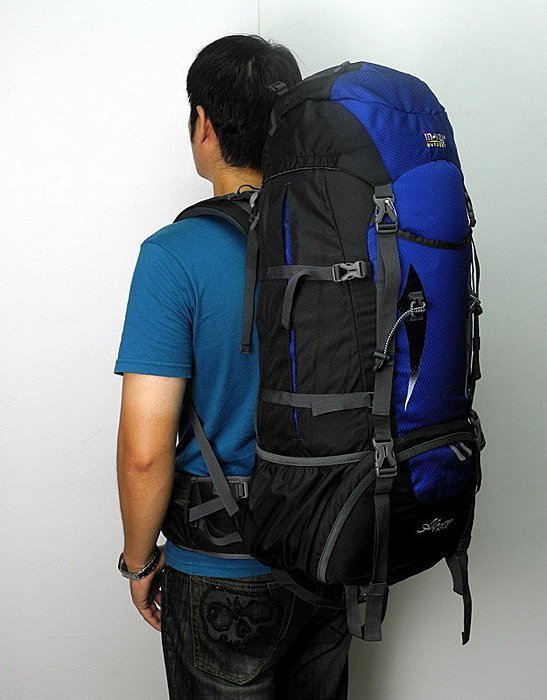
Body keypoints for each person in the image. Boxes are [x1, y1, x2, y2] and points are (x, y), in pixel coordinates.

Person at [113, 34, 353, 699]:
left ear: (204, 124)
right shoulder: (344, 244)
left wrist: (138, 562)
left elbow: (144, 451)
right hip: (329, 551)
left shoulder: (174, 255)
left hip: (220, 571)